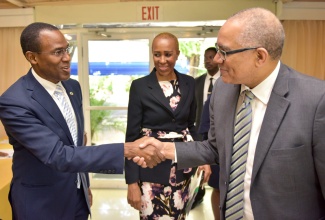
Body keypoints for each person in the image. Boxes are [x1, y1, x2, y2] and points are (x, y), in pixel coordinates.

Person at [136, 7, 325, 220]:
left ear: (259, 56)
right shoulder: (223, 90)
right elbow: (214, 148)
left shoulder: (316, 101)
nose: (216, 59)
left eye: (224, 52)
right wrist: (166, 149)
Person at [0, 22, 164, 220]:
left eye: (67, 49)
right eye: (57, 52)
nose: (67, 58)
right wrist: (127, 149)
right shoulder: (15, 101)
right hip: (41, 203)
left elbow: (77, 144)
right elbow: (58, 155)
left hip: (77, 197)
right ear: (32, 57)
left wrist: (83, 185)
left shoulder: (72, 87)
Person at [125, 32, 210, 219]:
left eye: (168, 54)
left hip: (183, 168)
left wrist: (203, 158)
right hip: (150, 169)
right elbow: (131, 137)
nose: (162, 60)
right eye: (157, 54)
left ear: (177, 54)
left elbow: (191, 126)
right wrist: (132, 182)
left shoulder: (189, 83)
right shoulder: (139, 86)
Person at [191, 47, 220, 211]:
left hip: (216, 132)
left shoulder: (228, 81)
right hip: (198, 131)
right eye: (205, 57)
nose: (207, 60)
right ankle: (198, 195)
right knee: (198, 167)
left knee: (214, 174)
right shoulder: (197, 82)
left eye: (211, 57)